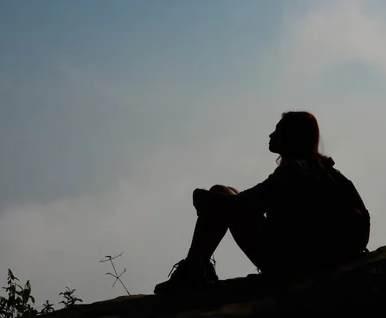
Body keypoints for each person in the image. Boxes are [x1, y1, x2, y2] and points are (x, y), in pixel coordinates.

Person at [154, 111, 370, 295]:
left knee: (220, 200)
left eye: (277, 130)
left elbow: (247, 204)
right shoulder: (325, 170)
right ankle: (196, 267)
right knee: (221, 196)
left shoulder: (293, 171)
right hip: (316, 257)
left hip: (294, 264)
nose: (270, 134)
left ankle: (194, 269)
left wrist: (206, 200)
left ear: (290, 137)